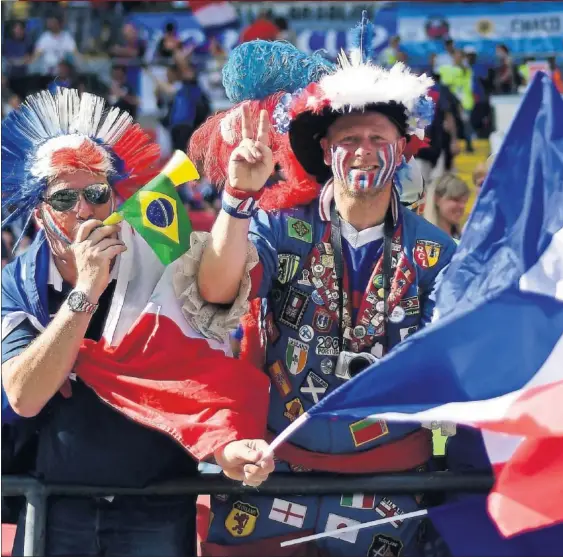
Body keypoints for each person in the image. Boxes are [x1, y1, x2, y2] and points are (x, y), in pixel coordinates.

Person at [196, 26, 455, 556]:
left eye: (378, 139)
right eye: (349, 140)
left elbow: (457, 347)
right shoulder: (278, 226)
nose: (363, 152)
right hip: (277, 469)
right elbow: (216, 291)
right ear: (325, 149)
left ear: (402, 149)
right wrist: (241, 195)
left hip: (386, 482)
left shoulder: (434, 251)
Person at [1, 88, 273, 556]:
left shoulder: (152, 243)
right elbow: (23, 396)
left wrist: (239, 198)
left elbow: (217, 287)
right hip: (55, 504)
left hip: (157, 503)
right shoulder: (18, 282)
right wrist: (85, 291)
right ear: (39, 209)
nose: (84, 209)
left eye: (96, 193)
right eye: (65, 197)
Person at [423, 172, 471, 240]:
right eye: (456, 200)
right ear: (437, 199)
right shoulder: (422, 237)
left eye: (464, 201)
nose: (462, 206)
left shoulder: (464, 239)